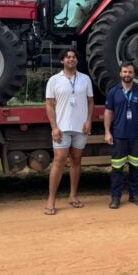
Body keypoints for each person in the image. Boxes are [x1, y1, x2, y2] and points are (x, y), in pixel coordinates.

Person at [44, 49, 94, 216]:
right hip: (62, 128)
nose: (71, 59)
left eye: (74, 57)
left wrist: (88, 121)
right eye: (68, 57)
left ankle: (73, 196)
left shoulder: (85, 79)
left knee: (77, 161)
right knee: (59, 161)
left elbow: (90, 101)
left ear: (77, 61)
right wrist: (54, 127)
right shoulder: (54, 80)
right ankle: (51, 199)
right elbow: (49, 105)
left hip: (80, 128)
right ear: (62, 61)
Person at [104, 62, 138, 209]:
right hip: (119, 136)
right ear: (120, 74)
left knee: (135, 168)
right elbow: (108, 112)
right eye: (125, 72)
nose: (127, 75)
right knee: (117, 169)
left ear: (134, 74)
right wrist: (107, 131)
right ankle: (116, 198)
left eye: (130, 72)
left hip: (136, 136)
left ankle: (134, 195)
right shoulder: (113, 91)